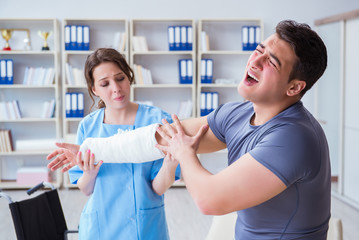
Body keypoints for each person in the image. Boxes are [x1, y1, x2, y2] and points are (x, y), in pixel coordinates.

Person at [47, 20, 330, 239]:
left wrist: (183, 153)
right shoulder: (239, 113)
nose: (255, 61)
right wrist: (91, 149)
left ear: (294, 87)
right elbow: (164, 135)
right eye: (259, 50)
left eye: (271, 62)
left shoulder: (294, 137)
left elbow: (210, 199)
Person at [54, 48, 180, 240]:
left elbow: (157, 188)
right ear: (94, 90)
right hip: (101, 227)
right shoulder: (88, 127)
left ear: (129, 77)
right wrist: (89, 172)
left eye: (120, 78)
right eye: (105, 84)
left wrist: (170, 164)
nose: (116, 88)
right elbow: (86, 189)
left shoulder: (156, 121)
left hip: (145, 226)